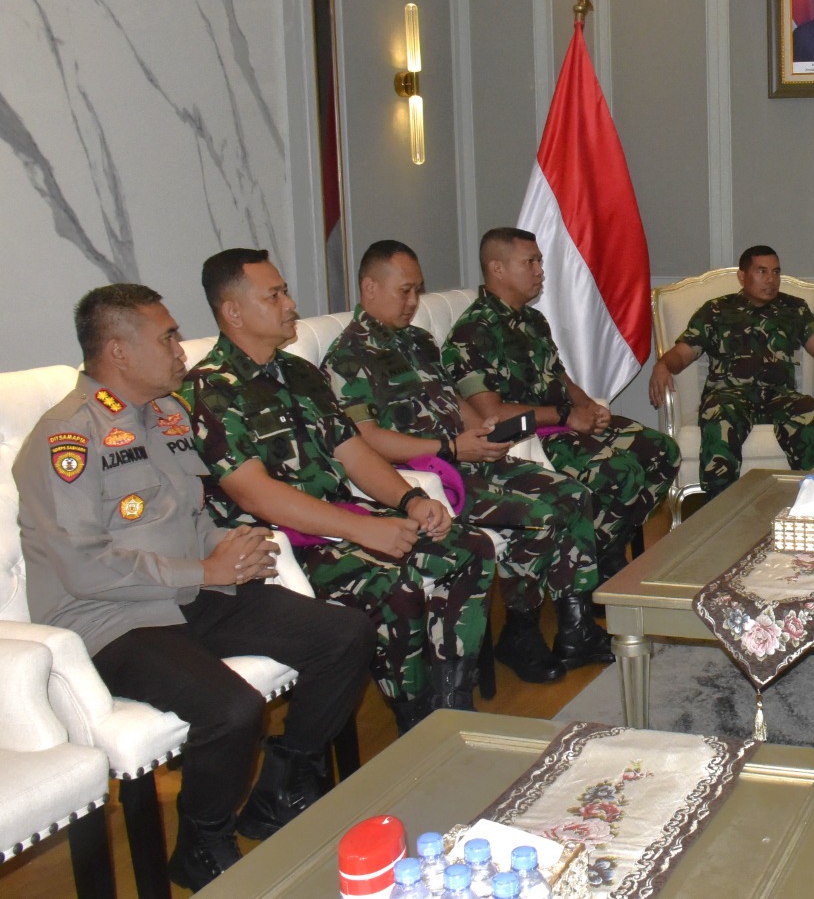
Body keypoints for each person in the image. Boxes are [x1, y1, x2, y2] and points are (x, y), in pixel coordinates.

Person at [14, 284, 375, 889]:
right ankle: (201, 842)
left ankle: (280, 787)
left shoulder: (168, 414)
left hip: (188, 594)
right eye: (167, 338)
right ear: (118, 351)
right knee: (231, 708)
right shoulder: (66, 438)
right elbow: (85, 566)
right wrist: (207, 571)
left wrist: (230, 547)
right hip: (110, 621)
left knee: (344, 634)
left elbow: (188, 517)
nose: (181, 350)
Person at [183, 248, 496, 735]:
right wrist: (362, 530)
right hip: (281, 550)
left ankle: (450, 698)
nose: (290, 304)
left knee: (470, 547)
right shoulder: (207, 390)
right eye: (274, 295)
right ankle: (416, 719)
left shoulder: (299, 373)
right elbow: (255, 495)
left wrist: (411, 501)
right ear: (234, 312)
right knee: (395, 581)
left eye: (285, 291)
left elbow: (353, 452)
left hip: (340, 522)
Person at [322, 241, 613, 685]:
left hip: (468, 457)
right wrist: (452, 448)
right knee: (538, 515)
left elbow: (452, 399)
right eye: (404, 291)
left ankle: (571, 631)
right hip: (430, 479)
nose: (413, 302)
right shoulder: (347, 357)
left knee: (572, 494)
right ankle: (521, 633)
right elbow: (367, 439)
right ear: (370, 287)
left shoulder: (417, 341)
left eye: (418, 290)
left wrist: (485, 434)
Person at [442, 228, 678, 579]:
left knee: (662, 451)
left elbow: (560, 378)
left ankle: (605, 548)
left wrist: (589, 407)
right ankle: (595, 569)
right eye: (530, 262)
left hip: (565, 423)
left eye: (539, 261)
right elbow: (492, 415)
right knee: (620, 472)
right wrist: (567, 415)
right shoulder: (472, 333)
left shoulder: (533, 321)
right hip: (527, 439)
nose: (540, 270)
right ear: (497, 268)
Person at [649, 245, 814, 500]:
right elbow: (684, 353)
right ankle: (720, 506)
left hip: (779, 395)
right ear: (742, 276)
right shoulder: (716, 310)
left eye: (776, 272)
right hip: (729, 396)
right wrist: (662, 365)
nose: (771, 279)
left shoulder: (793, 308)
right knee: (719, 415)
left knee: (810, 410)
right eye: (762, 272)